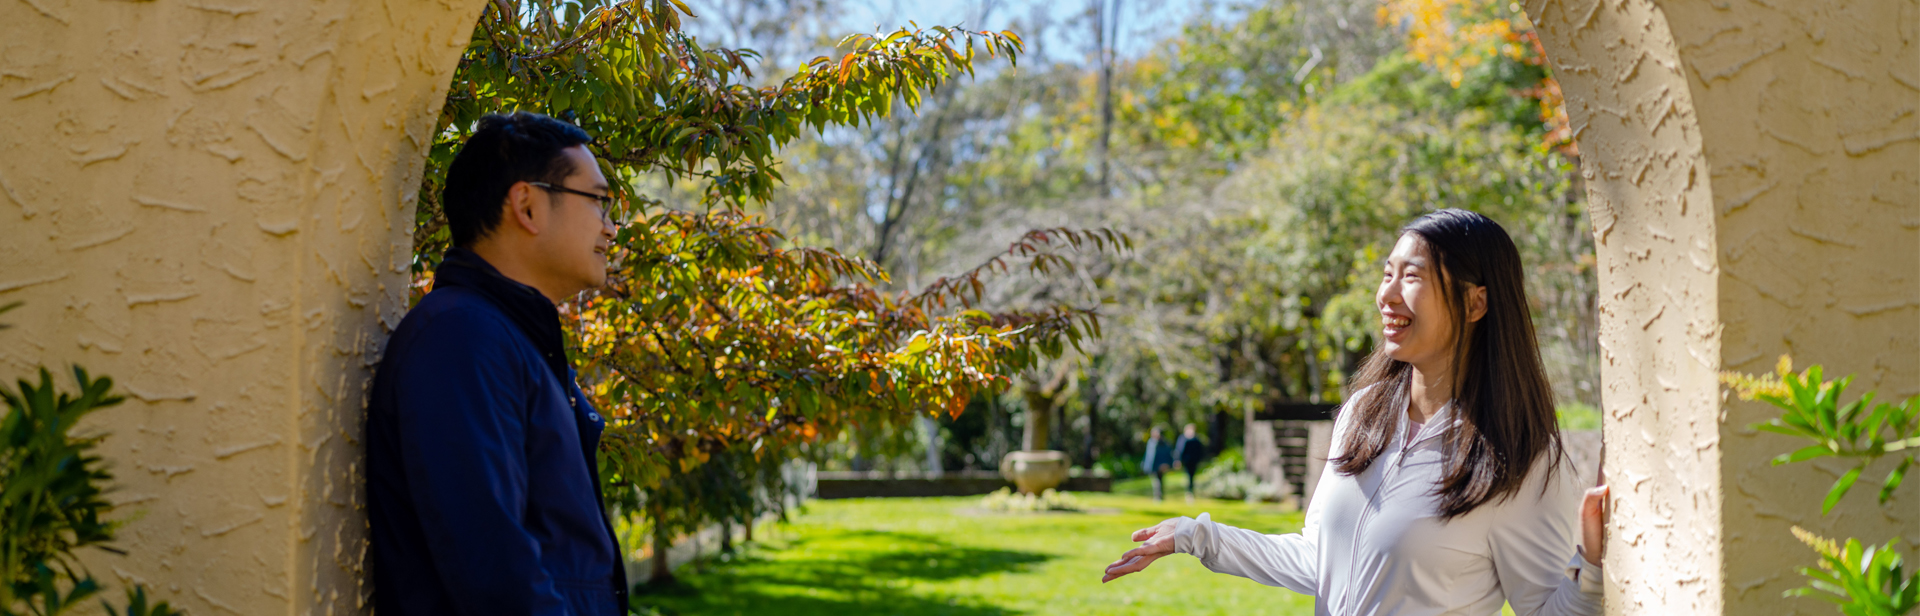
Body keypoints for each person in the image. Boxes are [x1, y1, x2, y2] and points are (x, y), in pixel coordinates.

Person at [1102, 209, 1609, 616]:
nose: (1385, 295)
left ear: (1476, 303)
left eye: (1411, 276)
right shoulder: (1364, 415)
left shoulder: (1521, 459)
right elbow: (1318, 560)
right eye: (1387, 274)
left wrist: (1592, 562)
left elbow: (1546, 610)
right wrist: (1195, 536)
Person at [366, 112, 627, 615]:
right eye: (598, 201)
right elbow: (496, 573)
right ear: (526, 206)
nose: (610, 228)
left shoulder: (509, 339)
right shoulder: (460, 338)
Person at [1172, 423, 1207, 501]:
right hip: (1186, 461)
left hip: (1194, 461)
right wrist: (1177, 460)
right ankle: (1189, 492)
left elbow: (1200, 451)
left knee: (1192, 476)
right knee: (1188, 476)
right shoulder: (1183, 439)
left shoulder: (1196, 439)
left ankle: (1191, 492)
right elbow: (1179, 450)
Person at [1142, 427, 1175, 501]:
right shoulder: (1151, 442)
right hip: (1152, 466)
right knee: (1155, 481)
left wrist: (1166, 464)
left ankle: (1159, 496)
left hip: (1160, 465)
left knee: (1159, 481)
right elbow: (1148, 456)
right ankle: (1158, 496)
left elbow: (1167, 454)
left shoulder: (1164, 443)